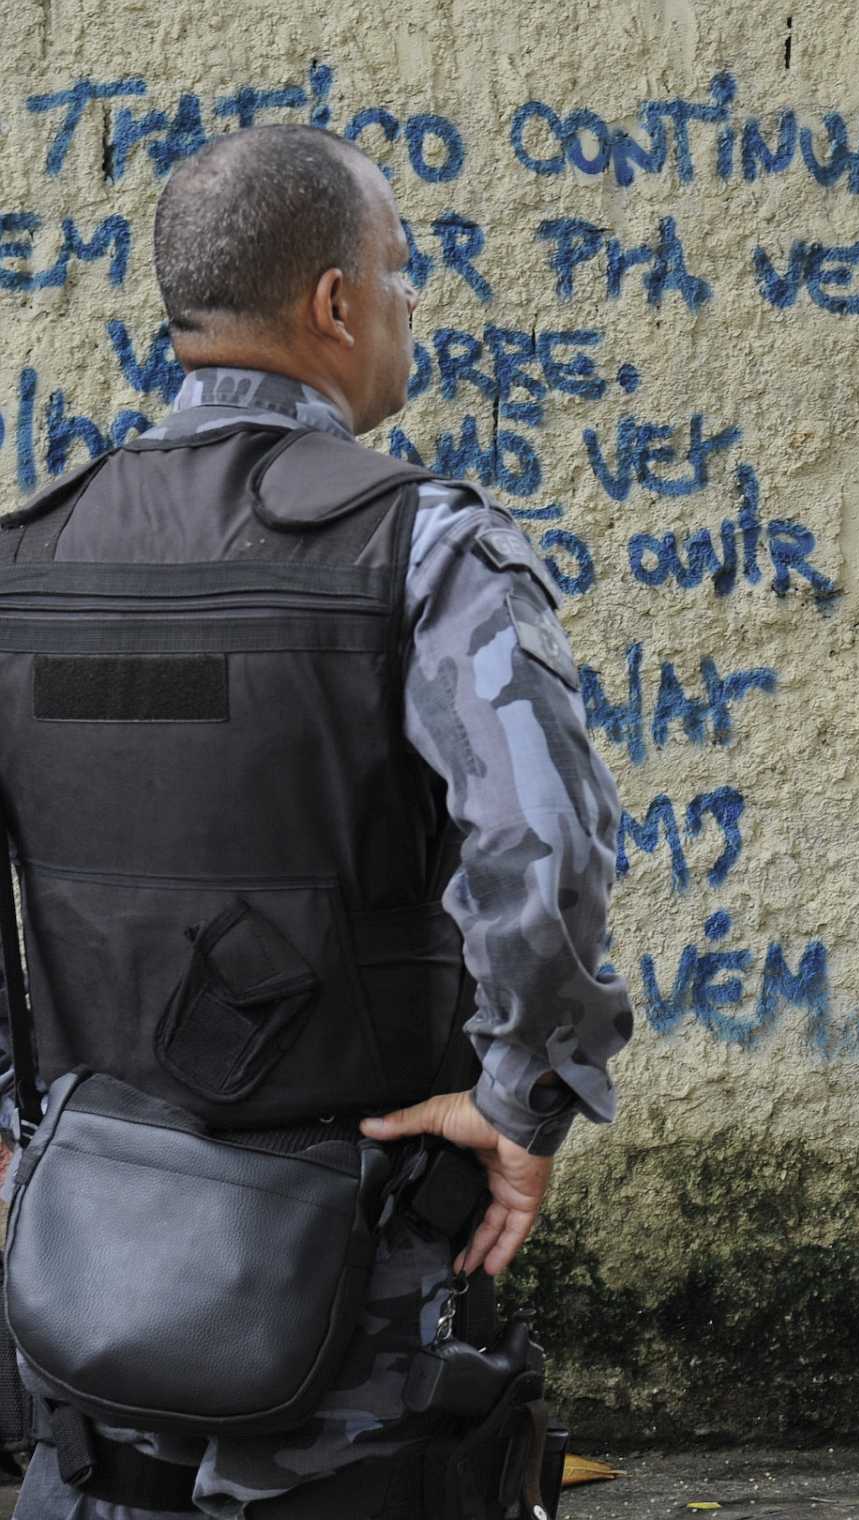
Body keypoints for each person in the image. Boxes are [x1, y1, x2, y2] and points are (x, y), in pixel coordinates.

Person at [0, 124, 632, 1517]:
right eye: (403, 274)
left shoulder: (25, 561)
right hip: (349, 1277)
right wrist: (526, 1100)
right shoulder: (424, 548)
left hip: (85, 1271)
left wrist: (14, 1124)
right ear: (335, 304)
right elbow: (544, 849)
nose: (413, 307)